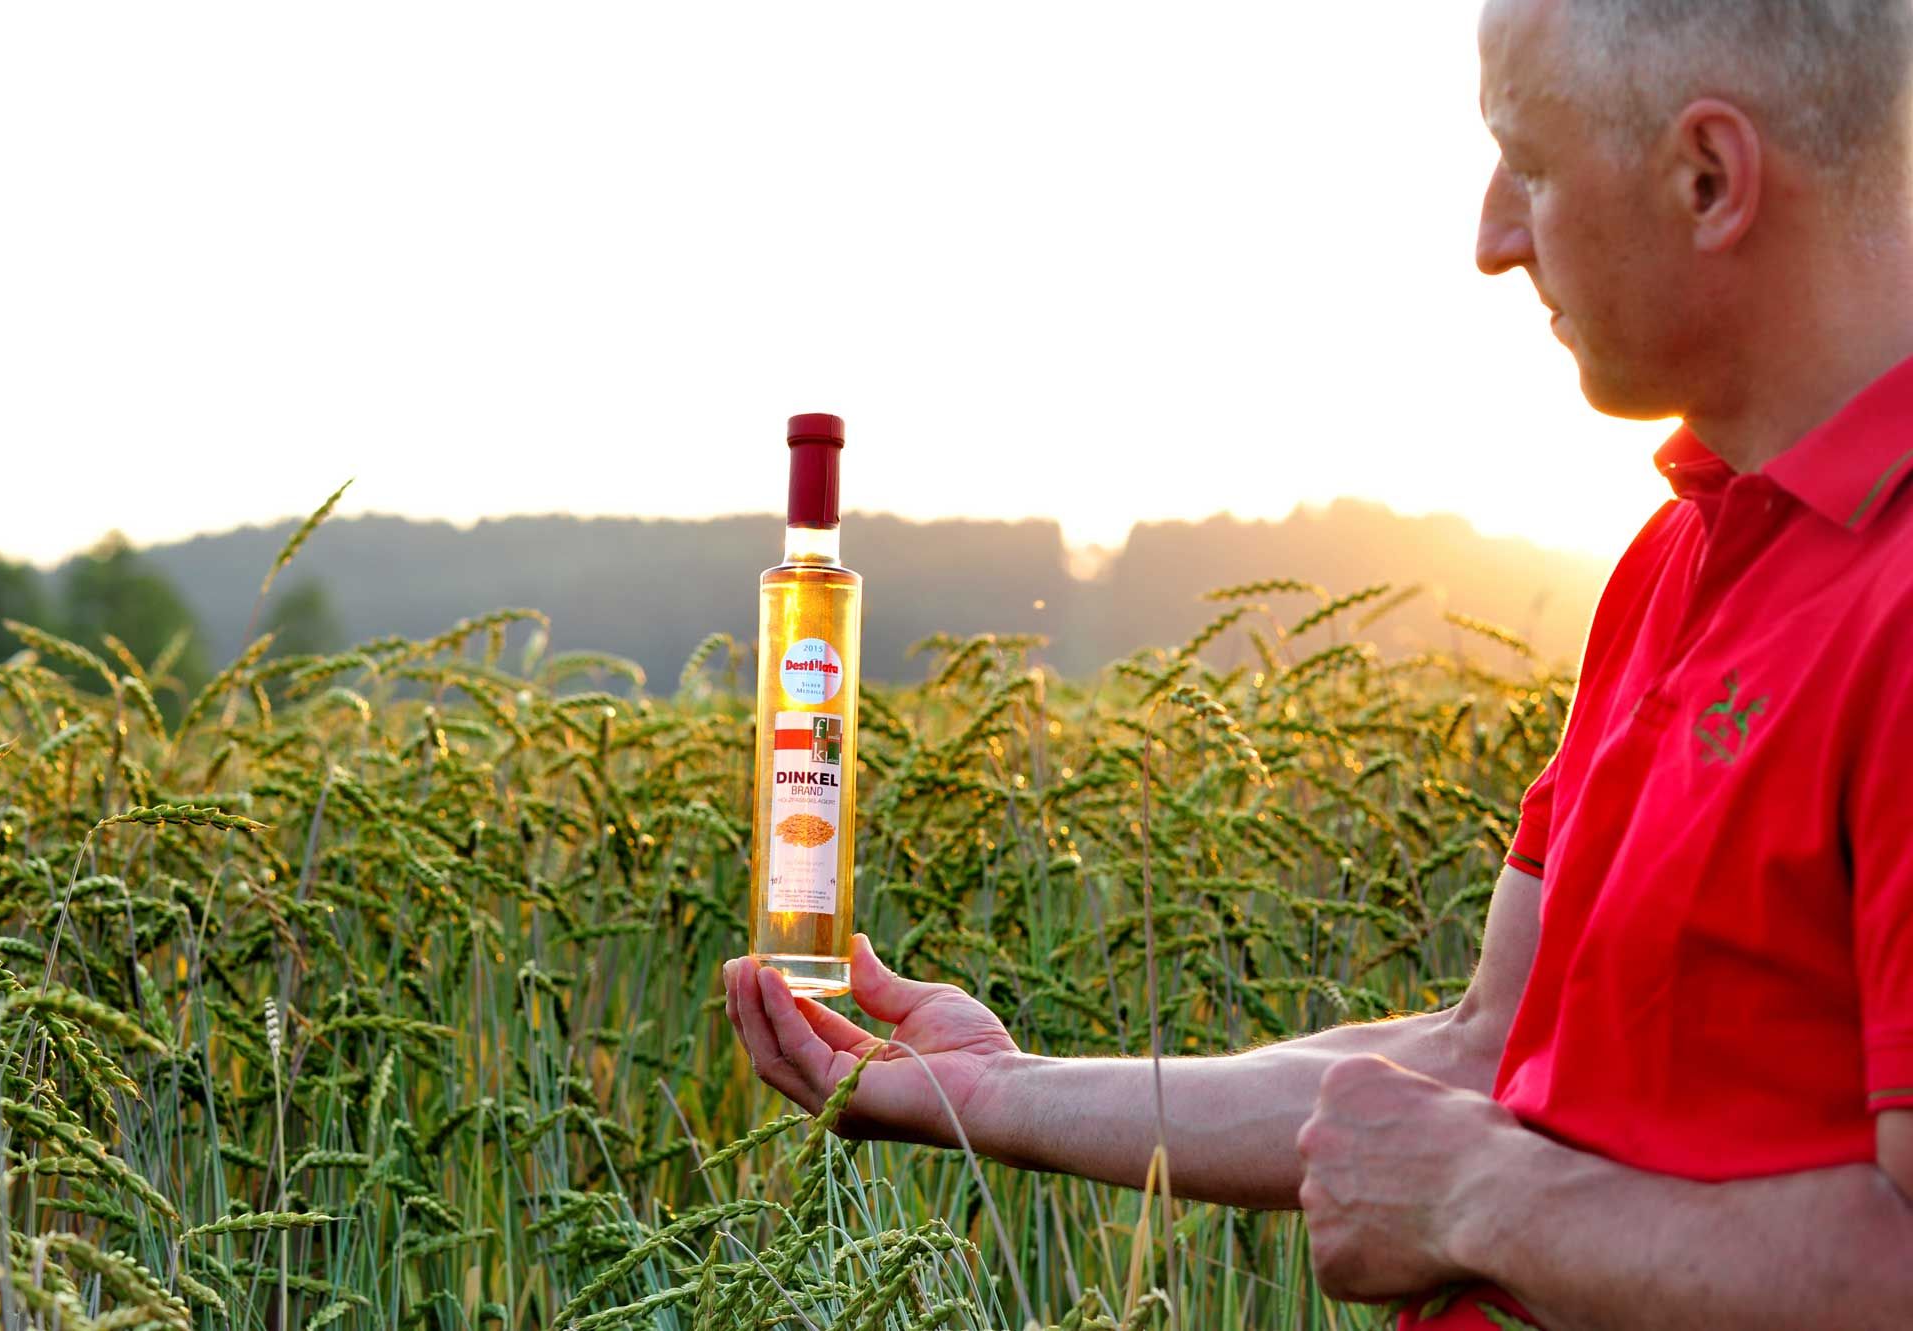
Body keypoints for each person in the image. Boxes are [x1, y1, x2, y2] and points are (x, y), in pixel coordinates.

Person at [725, 0, 1913, 1324]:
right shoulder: (1671, 561)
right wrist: (994, 1088)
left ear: (1709, 178)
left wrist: (1483, 1204)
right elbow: (1482, 1055)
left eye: (1527, 164)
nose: (1491, 240)